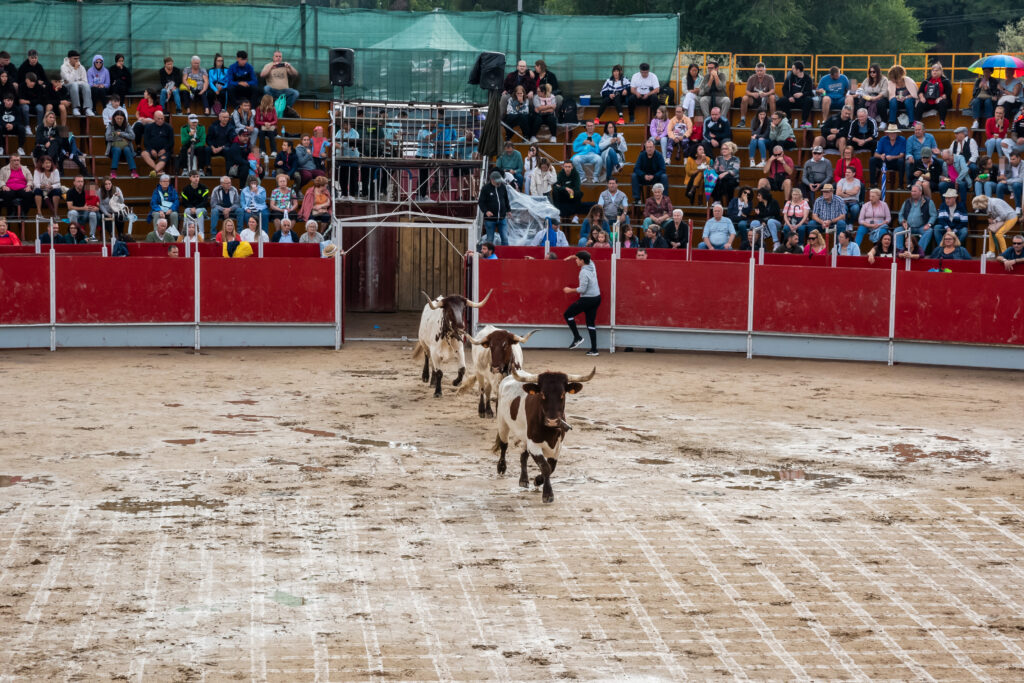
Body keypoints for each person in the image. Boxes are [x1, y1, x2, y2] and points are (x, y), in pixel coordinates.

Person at [562, 250, 601, 356]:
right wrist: (571, 256)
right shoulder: (592, 264)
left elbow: (582, 289)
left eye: (577, 259)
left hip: (587, 299)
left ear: (582, 261)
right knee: (590, 323)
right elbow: (587, 256)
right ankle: (594, 350)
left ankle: (577, 337)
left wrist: (570, 290)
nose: (576, 261)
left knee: (568, 314)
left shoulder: (583, 272)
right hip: (596, 298)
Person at [896, 183, 935, 251]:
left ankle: (918, 251)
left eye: (915, 191)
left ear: (920, 192)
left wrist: (929, 224)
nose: (913, 193)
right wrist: (902, 222)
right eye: (912, 191)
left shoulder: (928, 201)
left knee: (929, 231)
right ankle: (900, 251)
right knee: (897, 231)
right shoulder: (907, 201)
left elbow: (934, 215)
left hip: (921, 227)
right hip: (908, 227)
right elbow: (900, 214)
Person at [261, 50, 300, 115]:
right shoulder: (268, 65)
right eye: (276, 56)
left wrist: (290, 66)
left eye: (280, 56)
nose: (278, 58)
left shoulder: (285, 66)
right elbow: (262, 75)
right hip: (272, 90)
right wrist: (271, 67)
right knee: (266, 88)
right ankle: (272, 106)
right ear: (273, 57)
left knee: (295, 93)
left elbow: (295, 74)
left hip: (284, 91)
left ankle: (286, 109)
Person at [738, 62, 776, 127]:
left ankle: (774, 120)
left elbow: (772, 90)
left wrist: (765, 94)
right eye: (757, 71)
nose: (759, 72)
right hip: (754, 99)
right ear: (755, 70)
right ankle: (742, 121)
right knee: (744, 98)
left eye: (761, 71)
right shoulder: (751, 78)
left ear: (765, 70)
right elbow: (747, 91)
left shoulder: (770, 78)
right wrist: (752, 94)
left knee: (772, 97)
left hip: (766, 99)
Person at [478, 171, 510, 246]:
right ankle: (490, 256)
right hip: (490, 219)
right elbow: (481, 202)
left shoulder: (502, 187)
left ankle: (505, 255)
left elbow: (506, 199)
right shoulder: (485, 188)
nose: (499, 183)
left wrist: (508, 210)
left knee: (505, 238)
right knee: (490, 239)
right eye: (497, 182)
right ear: (492, 180)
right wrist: (486, 211)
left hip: (502, 218)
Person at [779, 61, 814, 127]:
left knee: (809, 100)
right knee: (782, 100)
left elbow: (810, 92)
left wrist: (802, 94)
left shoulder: (807, 78)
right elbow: (784, 89)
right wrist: (789, 96)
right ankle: (788, 119)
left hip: (801, 100)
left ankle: (804, 121)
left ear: (798, 70)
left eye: (793, 68)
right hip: (791, 100)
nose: (791, 70)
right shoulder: (790, 77)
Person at [917, 63, 952, 128]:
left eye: (936, 70)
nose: (934, 72)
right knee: (920, 104)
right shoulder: (926, 81)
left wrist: (940, 98)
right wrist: (922, 97)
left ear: (941, 71)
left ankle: (942, 123)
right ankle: (917, 123)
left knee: (943, 103)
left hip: (939, 101)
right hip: (928, 101)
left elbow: (948, 92)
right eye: (933, 70)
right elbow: (920, 91)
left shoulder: (945, 81)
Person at [905, 121, 939, 186]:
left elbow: (935, 150)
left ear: (924, 130)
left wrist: (932, 158)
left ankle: (938, 182)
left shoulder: (930, 137)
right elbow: (908, 152)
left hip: (928, 159)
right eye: (915, 130)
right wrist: (909, 156)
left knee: (941, 162)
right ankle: (909, 183)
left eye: (919, 130)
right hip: (916, 160)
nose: (917, 131)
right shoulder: (910, 139)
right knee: (907, 162)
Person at [104, 110, 137, 178]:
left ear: (124, 118)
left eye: (121, 118)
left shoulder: (127, 125)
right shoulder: (110, 125)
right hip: (114, 147)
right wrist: (122, 138)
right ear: (114, 118)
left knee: (127, 149)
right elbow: (107, 137)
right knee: (117, 150)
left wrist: (120, 133)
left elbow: (132, 136)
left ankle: (133, 171)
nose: (119, 120)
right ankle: (113, 171)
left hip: (125, 146)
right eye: (117, 118)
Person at [0, 153, 33, 218]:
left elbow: (30, 179)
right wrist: (3, 186)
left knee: (29, 194)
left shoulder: (25, 169)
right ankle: (11, 211)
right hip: (9, 188)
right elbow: (0, 179)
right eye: (14, 160)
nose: (16, 162)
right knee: (7, 194)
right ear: (10, 161)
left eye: (18, 160)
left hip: (22, 188)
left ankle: (23, 212)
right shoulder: (4, 169)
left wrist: (29, 186)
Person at [141, 110, 173, 177]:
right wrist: (151, 150)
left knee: (163, 159)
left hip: (164, 151)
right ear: (154, 118)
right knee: (143, 154)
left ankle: (154, 172)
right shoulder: (148, 127)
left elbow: (171, 142)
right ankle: (158, 171)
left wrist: (164, 149)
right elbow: (146, 142)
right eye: (159, 119)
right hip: (152, 150)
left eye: (162, 119)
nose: (160, 120)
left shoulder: (169, 127)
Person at [60, 50, 93, 116]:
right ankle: (75, 108)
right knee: (74, 85)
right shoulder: (63, 67)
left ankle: (88, 108)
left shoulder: (81, 67)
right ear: (69, 58)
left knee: (86, 85)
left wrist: (76, 82)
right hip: (66, 87)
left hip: (77, 86)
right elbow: (69, 81)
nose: (77, 60)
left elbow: (85, 81)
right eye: (75, 58)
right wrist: (74, 69)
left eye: (78, 58)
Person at [179, 170, 210, 235]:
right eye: (194, 177)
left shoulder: (204, 188)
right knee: (186, 211)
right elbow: (185, 202)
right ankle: (184, 233)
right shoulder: (185, 189)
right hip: (191, 209)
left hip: (202, 210)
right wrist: (191, 208)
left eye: (197, 176)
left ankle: (201, 234)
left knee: (199, 211)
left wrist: (196, 208)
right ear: (190, 178)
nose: (196, 178)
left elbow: (205, 202)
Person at [984, 106, 1011, 172]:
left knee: (998, 140)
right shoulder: (989, 120)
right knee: (993, 140)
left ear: (1003, 114)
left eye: (1000, 113)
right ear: (994, 113)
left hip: (1000, 142)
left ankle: (1001, 167)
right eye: (997, 113)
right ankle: (988, 162)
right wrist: (994, 137)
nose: (998, 115)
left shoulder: (1006, 121)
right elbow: (988, 134)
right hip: (989, 141)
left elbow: (1002, 135)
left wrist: (1001, 125)